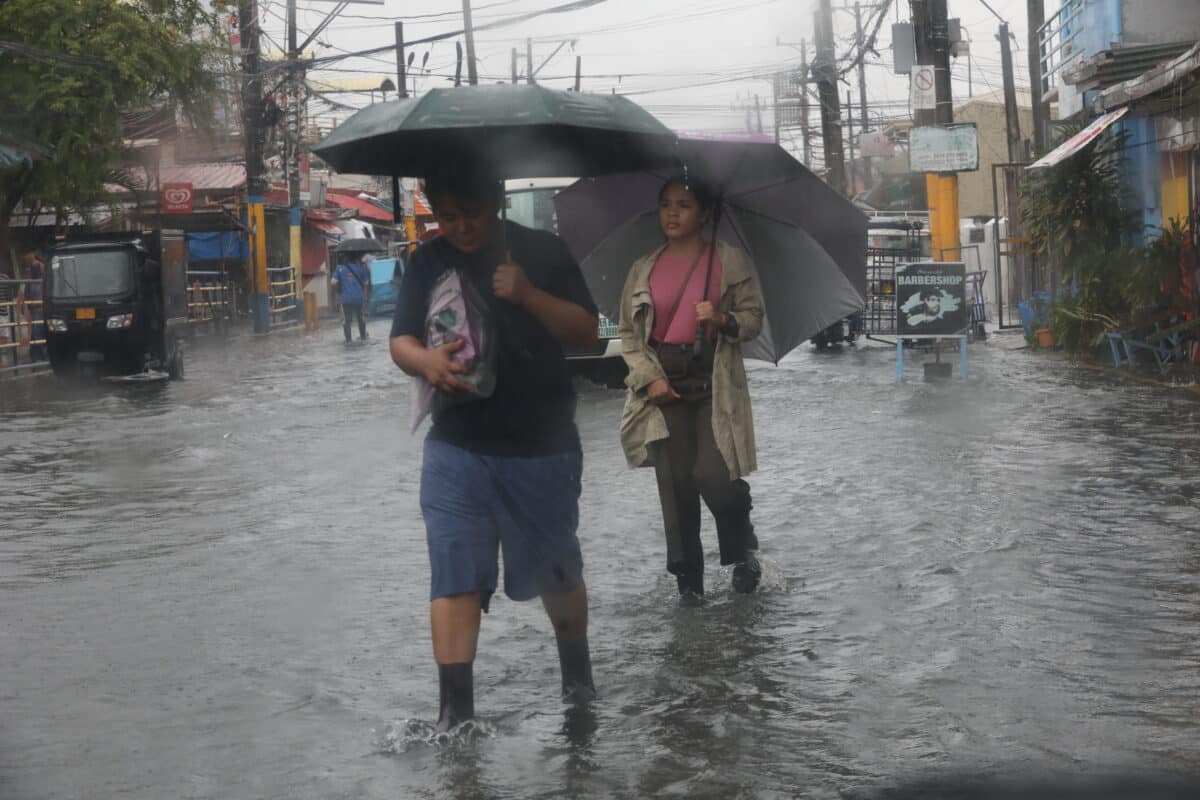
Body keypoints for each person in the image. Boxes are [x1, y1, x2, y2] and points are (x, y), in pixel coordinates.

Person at [389, 164, 600, 731]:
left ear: (497, 200)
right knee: (454, 570)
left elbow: (587, 329)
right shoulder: (428, 261)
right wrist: (425, 362)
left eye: (473, 214)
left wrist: (529, 294)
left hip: (542, 446)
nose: (461, 227)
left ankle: (578, 685)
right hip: (456, 446)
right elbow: (401, 339)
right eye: (448, 216)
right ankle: (454, 719)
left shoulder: (543, 251)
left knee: (557, 570)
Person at [617, 177, 765, 600]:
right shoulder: (644, 267)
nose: (673, 213)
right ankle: (688, 581)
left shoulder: (728, 261)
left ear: (704, 213)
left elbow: (753, 318)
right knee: (677, 483)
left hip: (715, 384)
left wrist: (722, 319)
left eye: (684, 205)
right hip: (665, 385)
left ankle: (743, 548)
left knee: (713, 477)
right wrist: (651, 378)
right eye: (666, 204)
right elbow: (630, 332)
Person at [333, 253, 370, 342]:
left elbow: (333, 282)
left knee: (347, 320)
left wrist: (340, 286)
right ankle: (363, 337)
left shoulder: (339, 269)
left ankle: (348, 341)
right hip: (358, 298)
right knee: (360, 318)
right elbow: (366, 283)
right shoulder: (361, 269)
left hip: (345, 298)